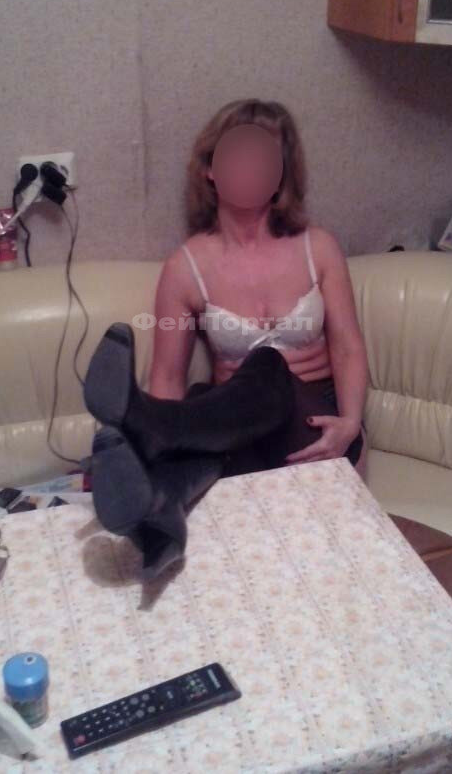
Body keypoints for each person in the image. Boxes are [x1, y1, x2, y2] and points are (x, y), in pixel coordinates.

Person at [83, 98, 369, 577]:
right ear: (210, 169)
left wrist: (352, 422)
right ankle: (162, 510)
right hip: (239, 435)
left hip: (317, 429)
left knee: (267, 362)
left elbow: (347, 346)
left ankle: (153, 432)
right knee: (203, 407)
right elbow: (168, 376)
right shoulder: (186, 267)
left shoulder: (317, 246)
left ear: (282, 173)